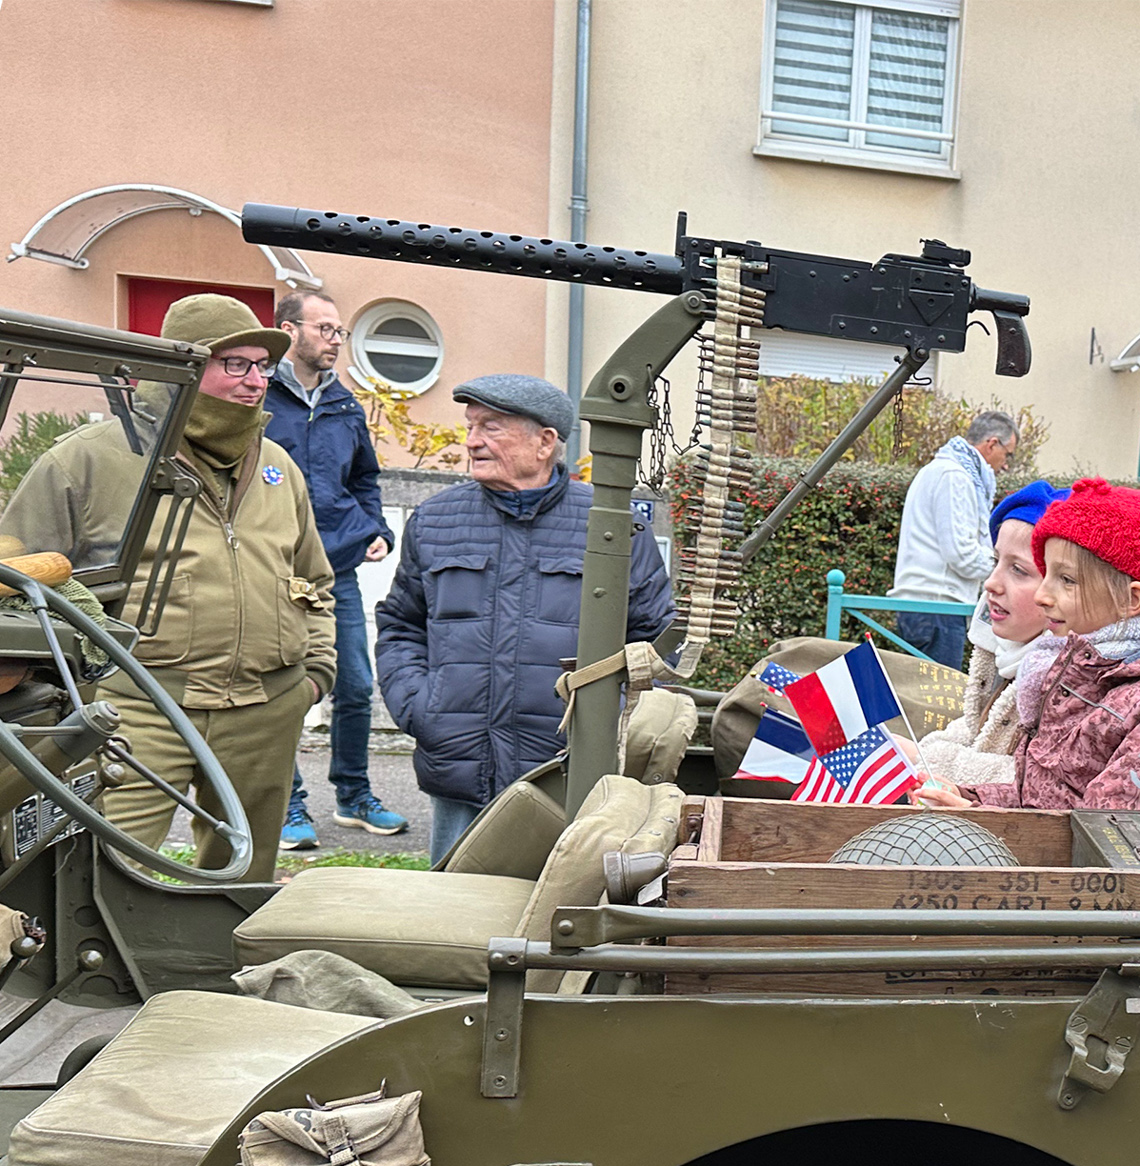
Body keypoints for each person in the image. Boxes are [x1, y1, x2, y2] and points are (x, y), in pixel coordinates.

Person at [1, 294, 336, 881]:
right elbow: (15, 580)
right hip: (139, 707)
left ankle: (217, 973)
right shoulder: (89, 460)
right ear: (184, 370)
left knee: (243, 883)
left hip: (266, 707)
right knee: (101, 875)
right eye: (236, 364)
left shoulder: (278, 464)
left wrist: (313, 675)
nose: (256, 381)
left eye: (263, 366)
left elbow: (314, 578)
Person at [374, 375, 674, 864]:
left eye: (491, 427)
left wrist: (605, 724)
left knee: (551, 916)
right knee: (450, 917)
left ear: (545, 442)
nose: (472, 441)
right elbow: (402, 625)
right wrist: (421, 707)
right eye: (471, 427)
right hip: (459, 765)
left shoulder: (612, 526)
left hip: (567, 775)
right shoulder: (434, 522)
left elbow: (655, 639)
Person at [921, 480, 1140, 814]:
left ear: (1131, 600)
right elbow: (1050, 798)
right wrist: (972, 800)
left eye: (1066, 580)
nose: (1043, 595)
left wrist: (982, 815)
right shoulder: (1092, 670)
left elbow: (1115, 845)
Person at [264, 290, 407, 849]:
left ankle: (353, 796)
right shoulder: (261, 395)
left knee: (354, 685)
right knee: (283, 688)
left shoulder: (344, 404)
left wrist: (376, 527)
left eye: (340, 331)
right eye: (325, 328)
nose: (335, 340)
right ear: (289, 330)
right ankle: (287, 804)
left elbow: (364, 478)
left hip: (336, 567)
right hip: (270, 569)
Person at [915, 480, 1067, 785]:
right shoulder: (1007, 650)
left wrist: (927, 760)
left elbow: (1037, 785)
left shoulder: (1068, 681)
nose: (991, 583)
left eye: (1019, 570)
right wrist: (919, 751)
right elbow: (978, 728)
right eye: (996, 562)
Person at [887, 411, 1018, 669]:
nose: (1005, 465)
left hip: (926, 607)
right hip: (938, 607)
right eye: (1008, 454)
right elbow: (963, 555)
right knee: (938, 705)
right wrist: (1008, 568)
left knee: (921, 699)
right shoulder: (955, 476)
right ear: (992, 443)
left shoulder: (943, 471)